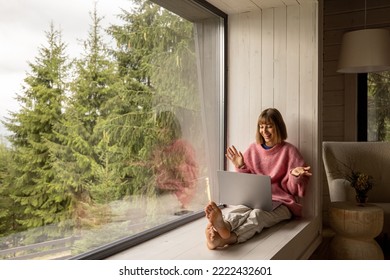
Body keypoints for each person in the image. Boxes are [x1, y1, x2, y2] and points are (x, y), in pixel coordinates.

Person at [204, 108, 312, 249]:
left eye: (269, 126)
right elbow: (247, 185)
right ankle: (222, 226)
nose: (264, 131)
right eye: (261, 127)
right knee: (240, 210)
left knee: (258, 215)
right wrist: (241, 166)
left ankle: (226, 239)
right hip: (254, 201)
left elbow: (294, 190)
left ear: (278, 127)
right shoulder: (253, 150)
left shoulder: (290, 151)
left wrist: (295, 176)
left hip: (282, 203)